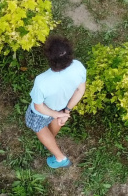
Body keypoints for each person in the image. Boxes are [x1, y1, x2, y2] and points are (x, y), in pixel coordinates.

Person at [25, 35, 86, 169]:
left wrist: (57, 115)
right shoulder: (79, 67)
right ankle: (49, 140)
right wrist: (66, 111)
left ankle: (60, 158)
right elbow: (80, 90)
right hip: (62, 106)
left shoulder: (42, 81)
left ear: (50, 58)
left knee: (38, 127)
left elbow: (39, 107)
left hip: (42, 113)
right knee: (53, 127)